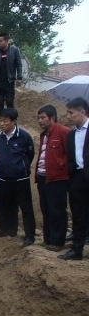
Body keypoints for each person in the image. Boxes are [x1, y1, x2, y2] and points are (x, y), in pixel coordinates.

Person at [0, 108, 36, 247]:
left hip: (21, 178)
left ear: (13, 121)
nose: (2, 123)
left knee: (26, 207)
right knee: (7, 206)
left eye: (5, 121)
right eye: (1, 120)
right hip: (5, 178)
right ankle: (8, 230)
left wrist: (20, 167)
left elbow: (30, 154)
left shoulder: (23, 136)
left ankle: (30, 236)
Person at [34, 105, 70, 252]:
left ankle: (57, 241)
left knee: (57, 210)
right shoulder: (44, 135)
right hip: (43, 177)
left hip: (58, 178)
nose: (40, 121)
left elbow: (70, 154)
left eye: (43, 117)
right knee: (46, 209)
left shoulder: (63, 132)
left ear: (52, 118)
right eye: (39, 118)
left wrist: (62, 167)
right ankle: (48, 239)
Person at [58, 98, 89, 261]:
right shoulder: (70, 134)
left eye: (71, 112)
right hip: (77, 177)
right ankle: (77, 250)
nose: (68, 116)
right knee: (78, 215)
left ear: (82, 112)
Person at [0, 33, 23, 117]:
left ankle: (12, 122)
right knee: (0, 102)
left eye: (1, 41)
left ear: (6, 41)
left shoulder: (14, 50)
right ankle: (2, 121)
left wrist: (19, 77)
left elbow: (19, 64)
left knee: (9, 102)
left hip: (9, 81)